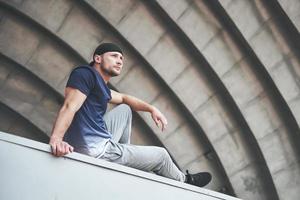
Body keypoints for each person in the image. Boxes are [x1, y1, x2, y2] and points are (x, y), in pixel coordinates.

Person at [49, 43, 211, 187]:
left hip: (96, 144)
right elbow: (70, 106)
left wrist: (151, 108)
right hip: (96, 150)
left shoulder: (101, 87)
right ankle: (184, 180)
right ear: (97, 58)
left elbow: (125, 98)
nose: (119, 61)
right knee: (161, 156)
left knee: (124, 109)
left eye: (121, 58)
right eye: (114, 56)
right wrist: (57, 139)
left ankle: (123, 159)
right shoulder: (85, 74)